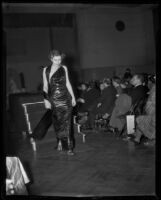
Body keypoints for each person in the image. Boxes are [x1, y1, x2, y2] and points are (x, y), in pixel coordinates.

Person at [43, 50, 76, 155]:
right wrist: (46, 100)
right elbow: (45, 86)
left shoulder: (64, 68)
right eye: (55, 60)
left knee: (67, 123)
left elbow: (68, 83)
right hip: (54, 100)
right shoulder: (46, 70)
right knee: (58, 123)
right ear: (51, 59)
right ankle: (60, 143)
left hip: (66, 99)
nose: (58, 61)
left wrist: (73, 97)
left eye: (59, 59)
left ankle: (69, 147)